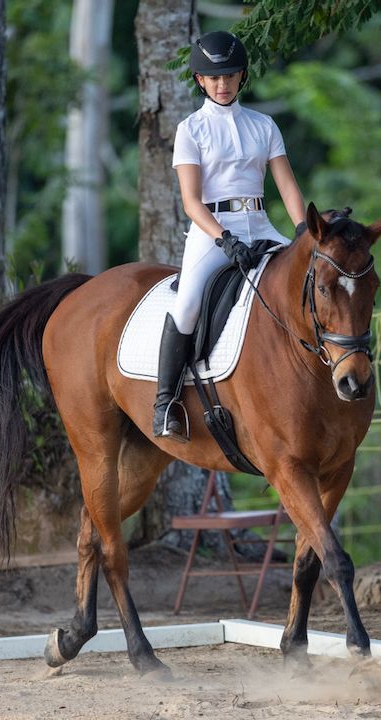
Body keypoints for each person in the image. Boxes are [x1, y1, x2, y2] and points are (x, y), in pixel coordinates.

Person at [153, 30, 307, 441]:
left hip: (259, 222)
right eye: (214, 78)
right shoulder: (191, 130)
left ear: (242, 76)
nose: (223, 85)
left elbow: (287, 186)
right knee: (186, 304)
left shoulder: (264, 125)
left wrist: (303, 230)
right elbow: (191, 202)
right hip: (211, 231)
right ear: (201, 81)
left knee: (307, 278)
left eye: (230, 76)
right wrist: (224, 239)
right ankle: (164, 402)